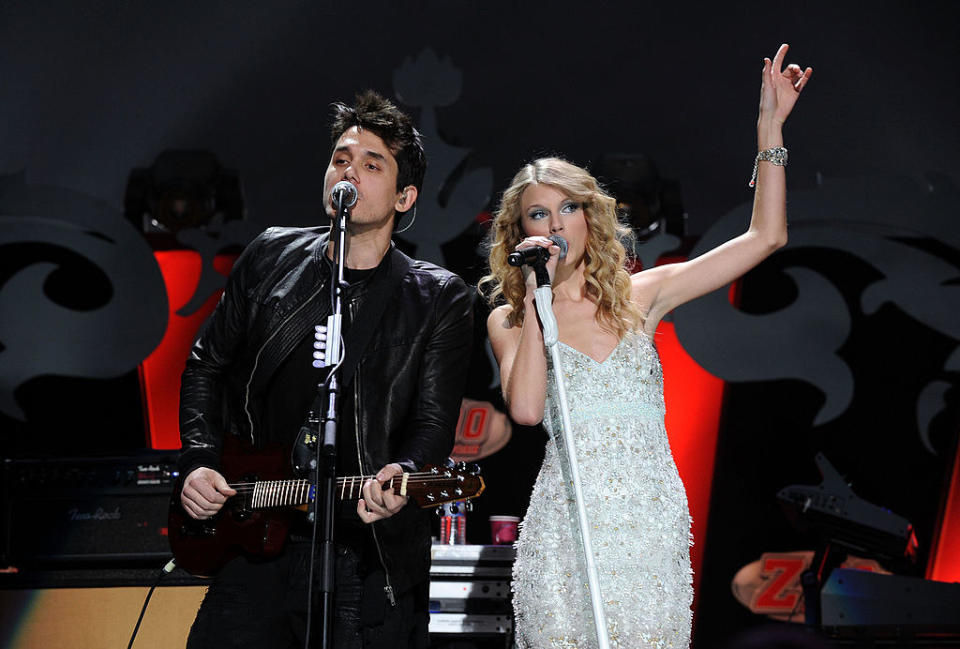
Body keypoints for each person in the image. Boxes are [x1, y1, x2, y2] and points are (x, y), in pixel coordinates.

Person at [482, 45, 812, 648]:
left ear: (590, 217)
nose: (555, 225)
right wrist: (537, 295)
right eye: (538, 214)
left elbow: (768, 236)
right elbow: (527, 411)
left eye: (568, 208)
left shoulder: (643, 296)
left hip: (647, 528)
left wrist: (770, 128)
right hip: (565, 532)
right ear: (520, 233)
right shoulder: (511, 318)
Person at [176, 90, 474, 649]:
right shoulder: (269, 257)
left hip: (363, 556)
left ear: (405, 197)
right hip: (257, 541)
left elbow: (433, 423)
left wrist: (404, 475)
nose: (349, 172)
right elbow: (205, 364)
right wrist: (198, 460)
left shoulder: (437, 297)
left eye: (370, 164)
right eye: (340, 159)